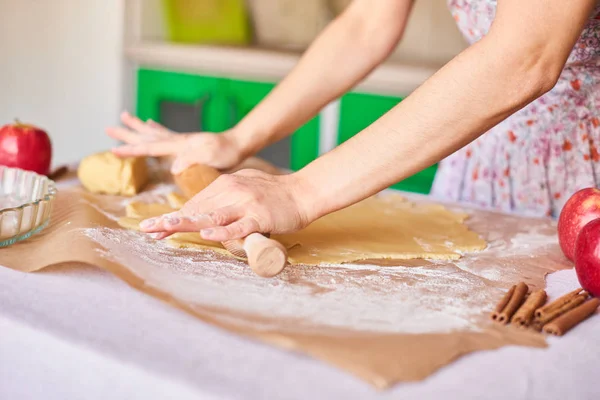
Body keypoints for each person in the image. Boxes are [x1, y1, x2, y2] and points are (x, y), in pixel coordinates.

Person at [107, 0, 600, 242]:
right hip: (486, 155)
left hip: (588, 176)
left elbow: (525, 56)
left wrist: (298, 192)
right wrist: (239, 137)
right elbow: (368, 22)